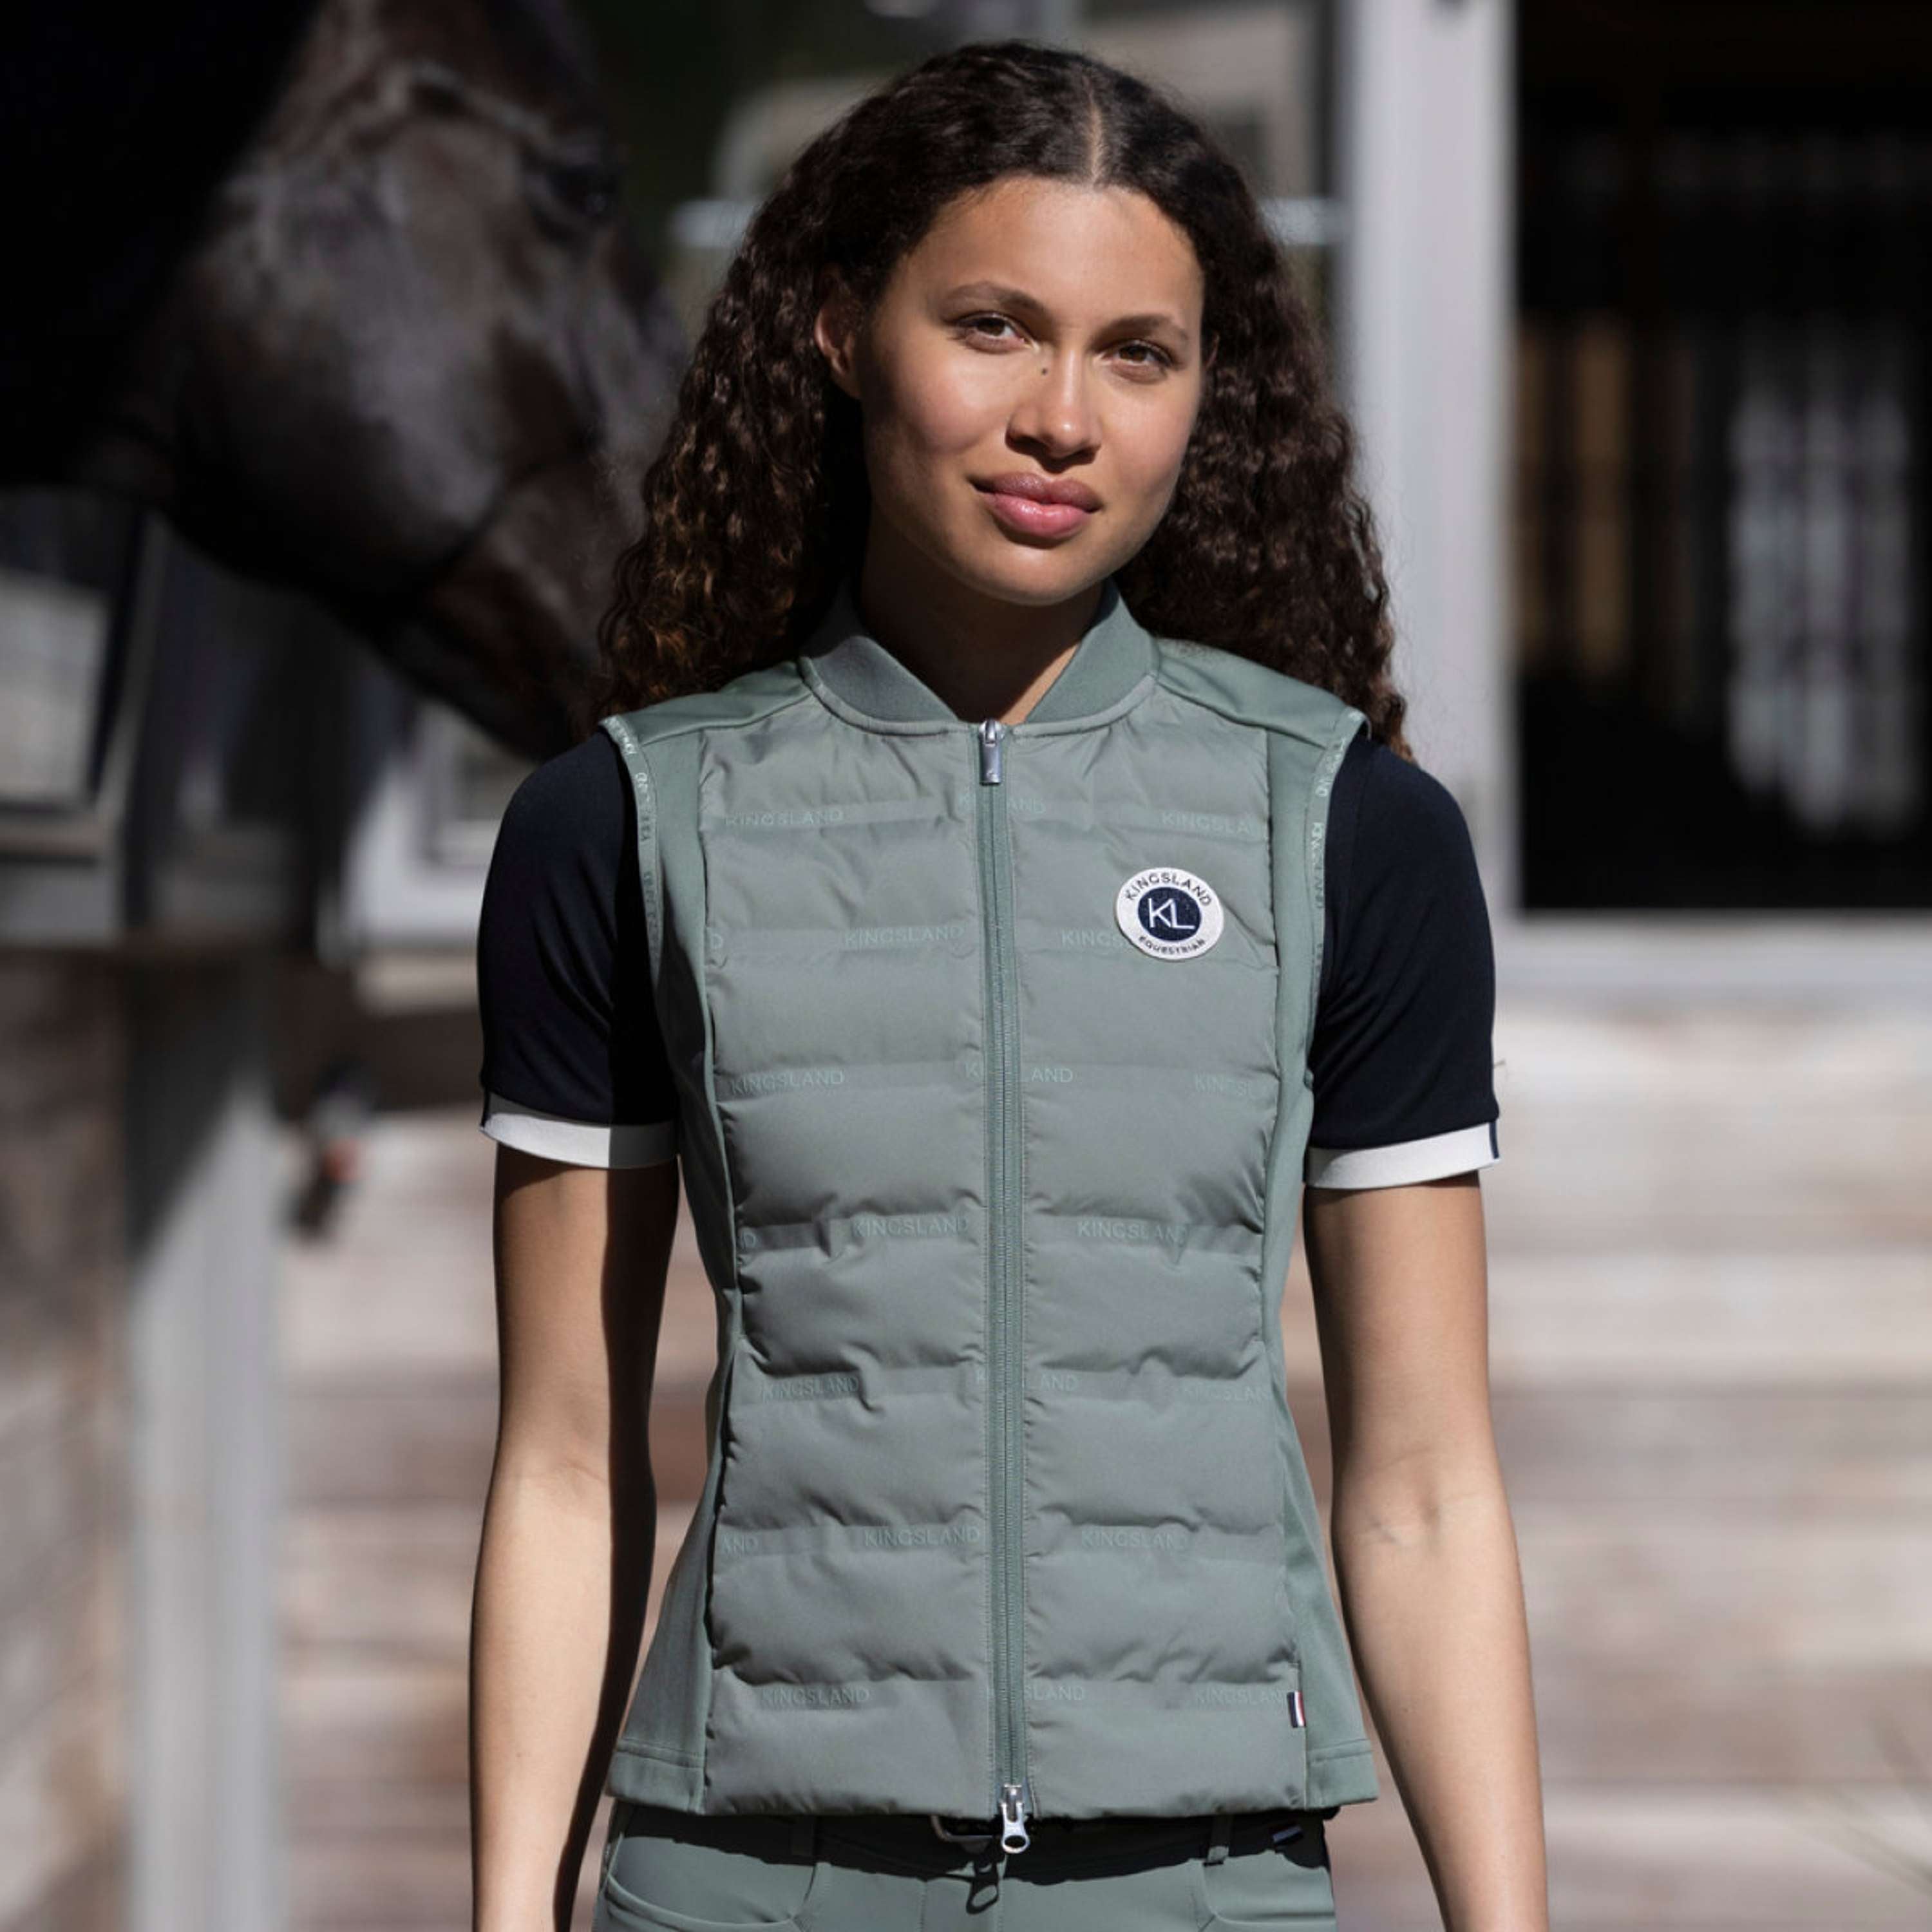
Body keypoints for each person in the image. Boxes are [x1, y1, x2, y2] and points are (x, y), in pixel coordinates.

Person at [468, 37, 1548, 1932]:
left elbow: (1426, 1481)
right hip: (749, 1876)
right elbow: (565, 1461)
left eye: (1139, 354)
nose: (1062, 417)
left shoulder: (1342, 829)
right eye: (993, 326)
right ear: (841, 331)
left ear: (1205, 395)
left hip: (1202, 1880)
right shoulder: (627, 825)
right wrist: (505, 1913)